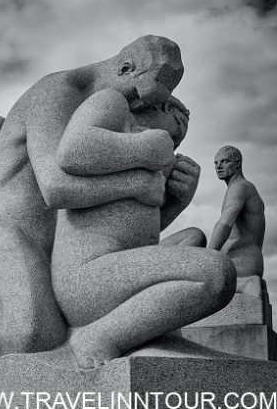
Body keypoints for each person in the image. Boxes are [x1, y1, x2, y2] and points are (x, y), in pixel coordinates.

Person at [0, 35, 201, 367]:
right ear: (126, 69)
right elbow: (55, 188)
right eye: (142, 97)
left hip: (62, 244)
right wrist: (139, 182)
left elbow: (114, 227)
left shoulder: (105, 116)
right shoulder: (58, 93)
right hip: (12, 228)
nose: (140, 109)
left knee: (48, 333)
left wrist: (173, 201)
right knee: (30, 334)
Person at [51, 89, 235, 369]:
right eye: (173, 130)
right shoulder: (112, 124)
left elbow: (135, 236)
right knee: (215, 272)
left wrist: (178, 201)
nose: (174, 145)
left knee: (192, 238)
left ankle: (141, 328)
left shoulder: (141, 161)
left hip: (114, 273)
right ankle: (99, 335)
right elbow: (67, 166)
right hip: (86, 281)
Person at [207, 145, 266, 279]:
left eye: (225, 161)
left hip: (241, 262)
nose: (218, 167)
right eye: (216, 163)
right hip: (245, 261)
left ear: (237, 163)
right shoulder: (242, 187)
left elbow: (225, 223)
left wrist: (208, 256)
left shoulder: (239, 187)